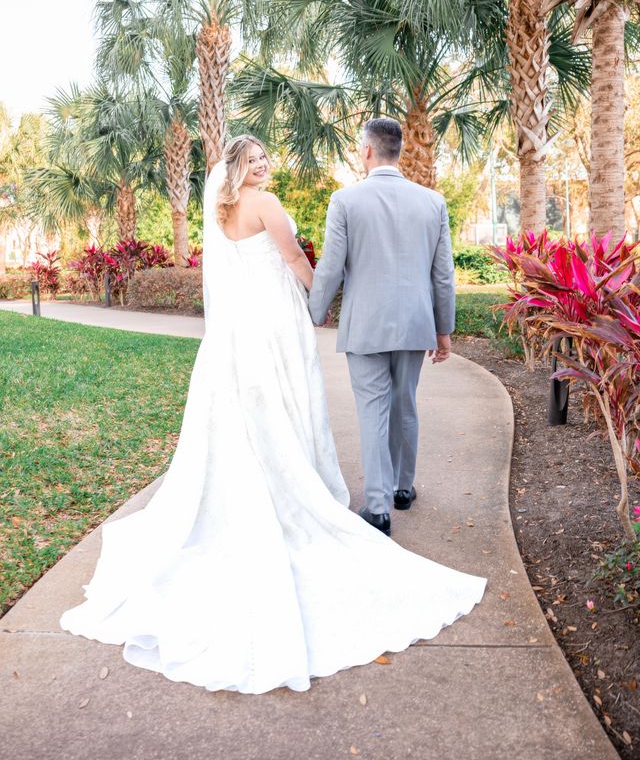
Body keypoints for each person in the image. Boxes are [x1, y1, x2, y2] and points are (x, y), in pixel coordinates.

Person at [59, 133, 486, 695]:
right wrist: (372, 312)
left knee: (323, 409)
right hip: (330, 322)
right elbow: (301, 259)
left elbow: (285, 266)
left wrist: (335, 305)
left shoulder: (231, 207)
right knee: (371, 406)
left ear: (367, 153)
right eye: (255, 160)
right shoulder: (412, 202)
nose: (264, 165)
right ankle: (391, 489)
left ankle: (376, 501)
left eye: (265, 158)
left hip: (246, 328)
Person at [309, 117, 455, 538]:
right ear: (400, 150)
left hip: (366, 326)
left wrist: (313, 314)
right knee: (405, 403)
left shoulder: (345, 200)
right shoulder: (432, 202)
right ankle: (402, 488)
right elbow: (442, 275)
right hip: (415, 323)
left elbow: (331, 268)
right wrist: (443, 329)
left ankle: (378, 509)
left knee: (373, 409)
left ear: (367, 151)